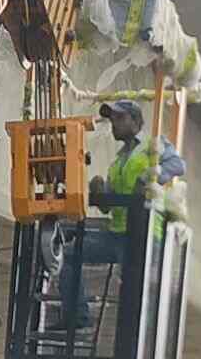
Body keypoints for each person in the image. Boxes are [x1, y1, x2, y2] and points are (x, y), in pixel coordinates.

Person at [58, 98, 186, 330]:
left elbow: (177, 165)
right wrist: (100, 192)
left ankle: (138, 332)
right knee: (68, 254)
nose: (114, 124)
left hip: (145, 234)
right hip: (118, 235)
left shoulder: (152, 146)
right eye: (112, 119)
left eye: (119, 118)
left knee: (135, 290)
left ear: (135, 121)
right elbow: (109, 207)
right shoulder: (117, 163)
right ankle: (77, 316)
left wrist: (149, 178)